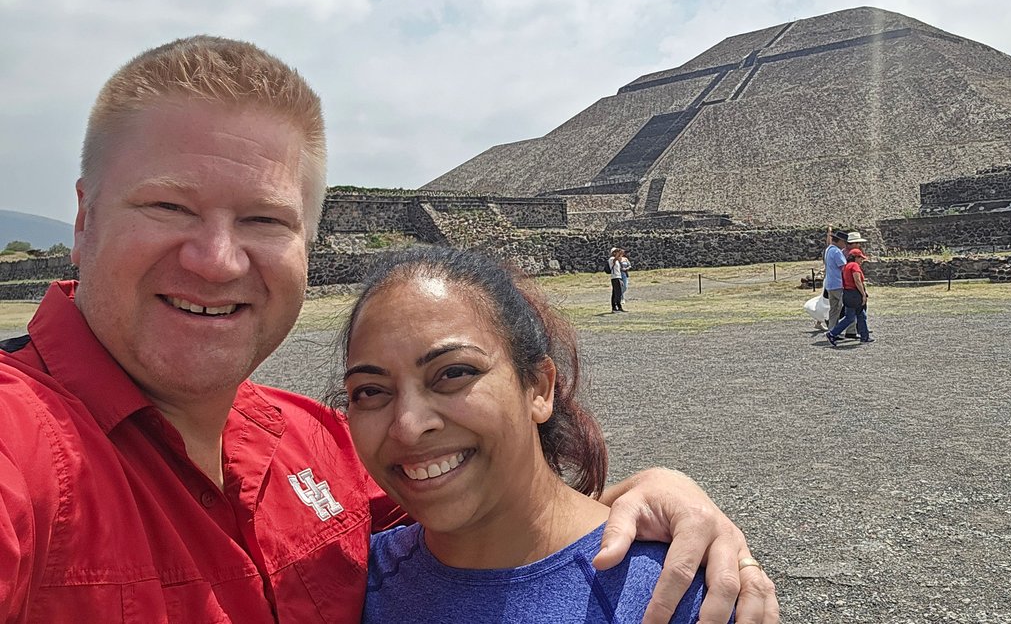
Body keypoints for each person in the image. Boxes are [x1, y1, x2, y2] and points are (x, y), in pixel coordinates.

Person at [0, 36, 778, 623]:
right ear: (84, 217)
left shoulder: (320, 445)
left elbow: (493, 514)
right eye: (168, 207)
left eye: (266, 219)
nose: (215, 260)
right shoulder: (22, 446)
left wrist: (649, 496)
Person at [342, 247, 732, 623]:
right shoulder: (335, 587)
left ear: (540, 388)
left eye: (454, 373)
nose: (409, 427)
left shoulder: (673, 595)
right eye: (371, 391)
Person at [826, 248, 873, 346]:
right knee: (855, 316)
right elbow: (857, 281)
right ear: (855, 257)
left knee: (855, 316)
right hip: (854, 294)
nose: (862, 260)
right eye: (860, 258)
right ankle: (833, 333)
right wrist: (863, 294)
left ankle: (864, 336)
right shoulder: (854, 266)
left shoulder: (846, 266)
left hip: (847, 293)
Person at [822, 228, 849, 332]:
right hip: (838, 283)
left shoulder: (828, 249)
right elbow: (843, 267)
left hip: (830, 284)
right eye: (844, 242)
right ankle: (840, 330)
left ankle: (832, 329)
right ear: (841, 241)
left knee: (833, 309)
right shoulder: (837, 252)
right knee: (843, 308)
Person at [608, 247, 627, 313]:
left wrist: (620, 253)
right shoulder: (611, 259)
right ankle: (615, 307)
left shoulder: (617, 260)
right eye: (616, 252)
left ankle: (618, 307)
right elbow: (615, 259)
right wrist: (618, 253)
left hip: (618, 277)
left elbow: (619, 259)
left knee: (617, 293)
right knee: (617, 293)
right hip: (615, 277)